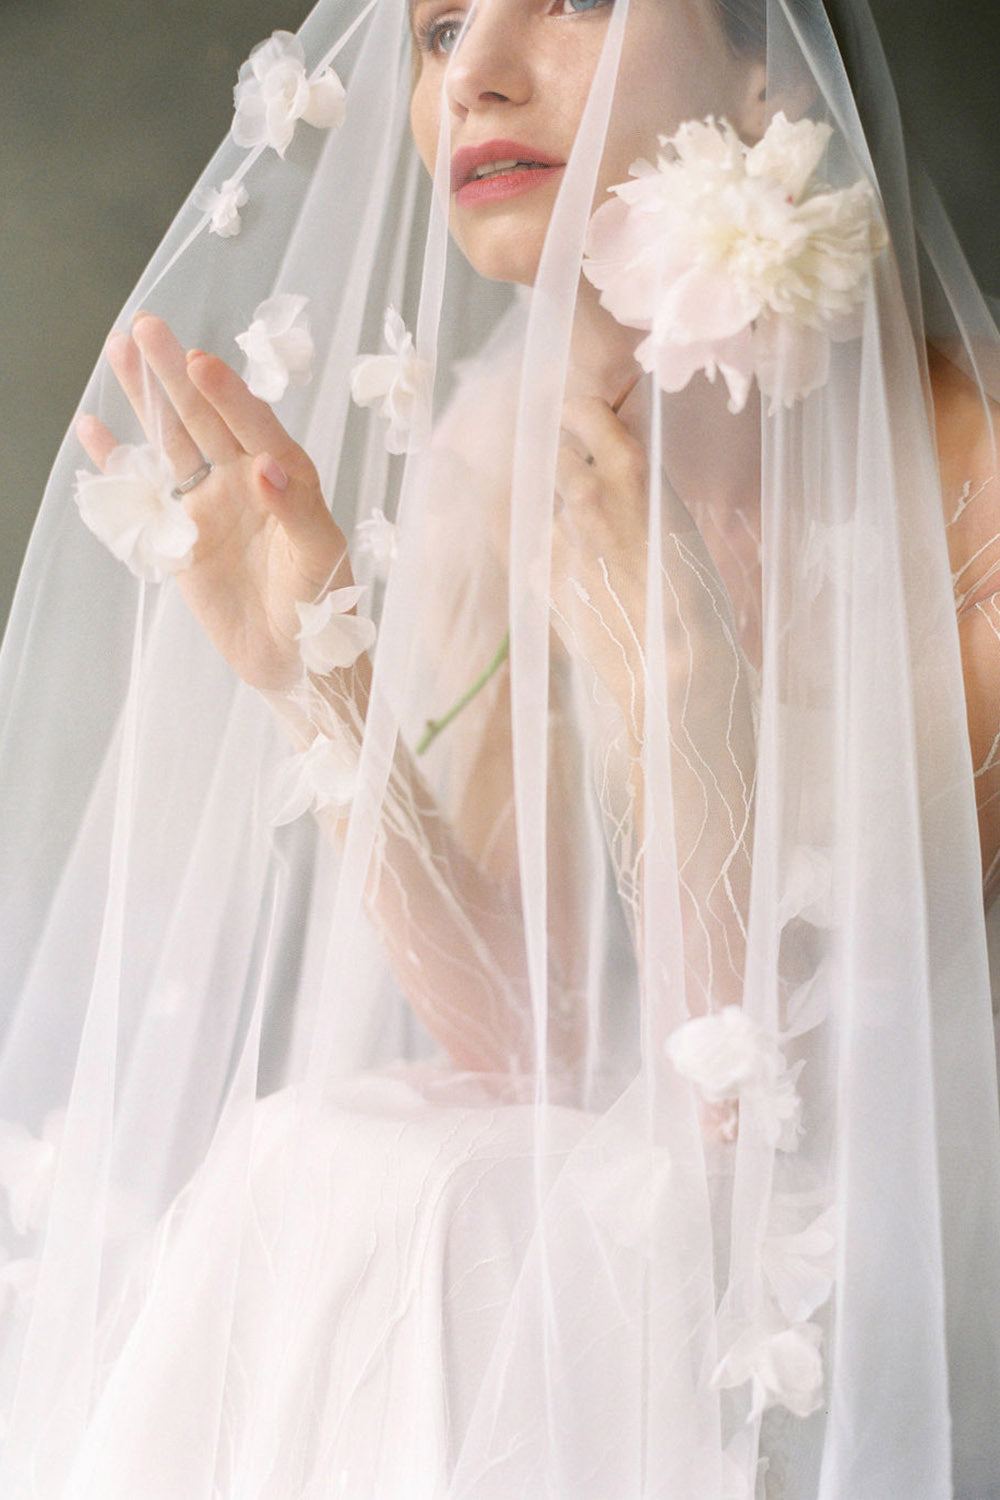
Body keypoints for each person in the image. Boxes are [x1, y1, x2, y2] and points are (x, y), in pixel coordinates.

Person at [0, 0, 998, 1494]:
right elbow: (520, 1037)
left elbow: (773, 1134)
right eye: (439, 27)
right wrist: (312, 678)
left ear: (771, 65)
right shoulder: (509, 444)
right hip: (665, 1275)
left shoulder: (976, 482)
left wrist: (686, 713)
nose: (473, 75)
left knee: (447, 1205)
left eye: (573, 1)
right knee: (353, 1163)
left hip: (894, 1288)